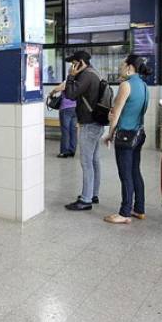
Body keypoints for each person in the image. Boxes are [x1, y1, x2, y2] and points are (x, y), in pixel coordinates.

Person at [102, 55, 150, 224]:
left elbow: (116, 114)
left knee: (125, 174)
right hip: (139, 134)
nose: (120, 67)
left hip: (125, 136)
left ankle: (124, 213)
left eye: (123, 64)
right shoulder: (144, 85)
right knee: (135, 171)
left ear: (130, 67)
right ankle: (139, 209)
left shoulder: (126, 85)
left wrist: (109, 134)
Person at [63, 51, 104, 211]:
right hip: (96, 123)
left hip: (89, 124)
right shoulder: (95, 72)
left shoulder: (86, 75)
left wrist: (71, 77)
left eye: (73, 63)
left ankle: (86, 199)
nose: (71, 67)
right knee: (94, 160)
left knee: (87, 162)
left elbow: (70, 94)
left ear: (80, 62)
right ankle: (93, 194)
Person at [50, 81, 77, 158]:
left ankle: (64, 152)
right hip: (75, 108)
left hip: (65, 108)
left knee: (65, 130)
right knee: (73, 130)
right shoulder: (79, 81)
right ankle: (72, 150)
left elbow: (58, 88)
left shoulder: (68, 81)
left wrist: (51, 93)